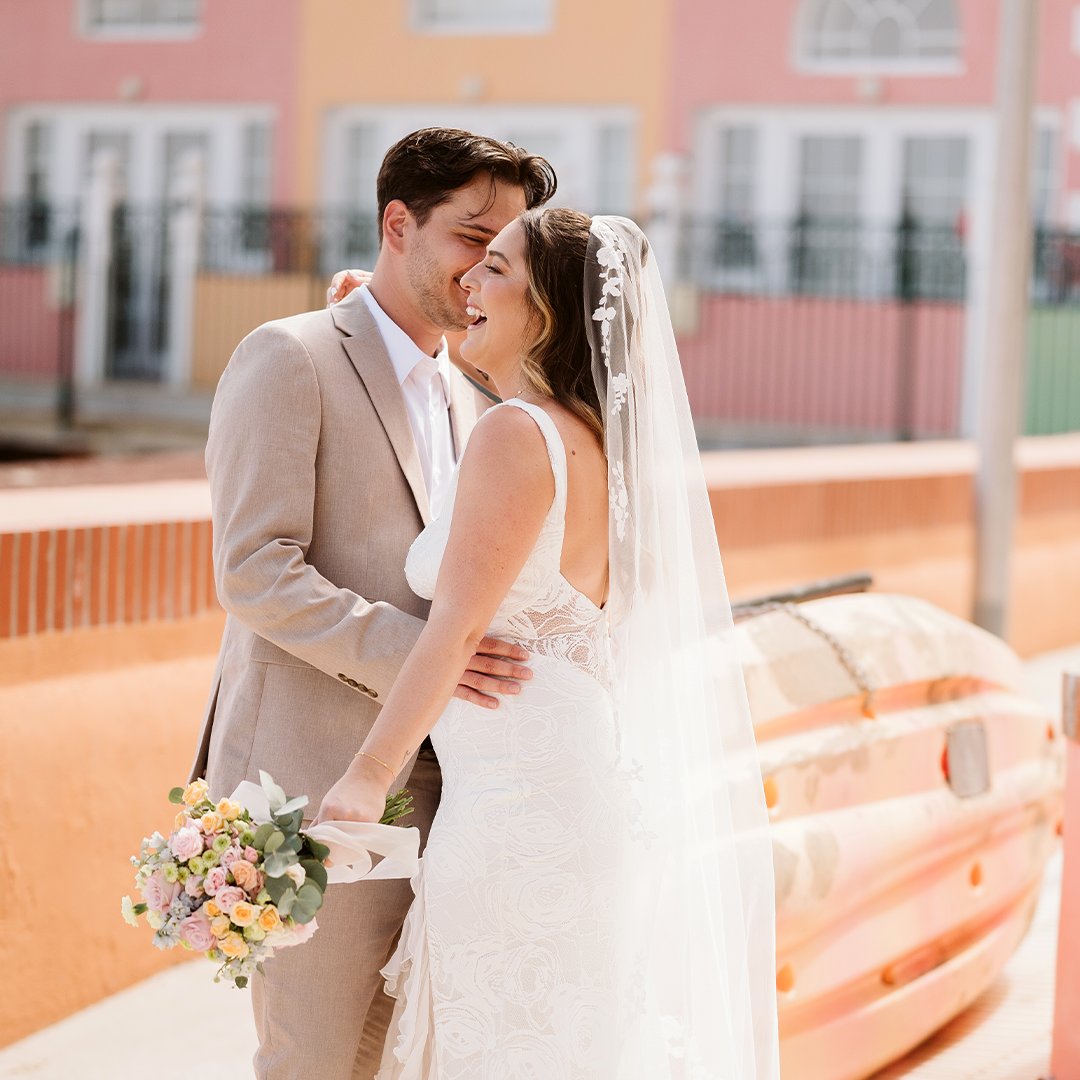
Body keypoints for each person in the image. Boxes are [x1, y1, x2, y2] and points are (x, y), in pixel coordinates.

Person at [315, 209, 780, 1079]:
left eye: (492, 269)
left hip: (513, 815)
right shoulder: (597, 446)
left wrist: (366, 777)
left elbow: (453, 629)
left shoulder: (515, 436)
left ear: (551, 310)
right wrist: (362, 310)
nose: (467, 286)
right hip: (578, 796)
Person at [189, 128, 557, 1080]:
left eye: (507, 245)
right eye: (470, 236)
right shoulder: (291, 356)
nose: (487, 266)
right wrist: (426, 653)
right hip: (313, 779)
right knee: (312, 1060)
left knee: (406, 1056)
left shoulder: (480, 395)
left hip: (463, 790)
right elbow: (255, 568)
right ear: (399, 223)